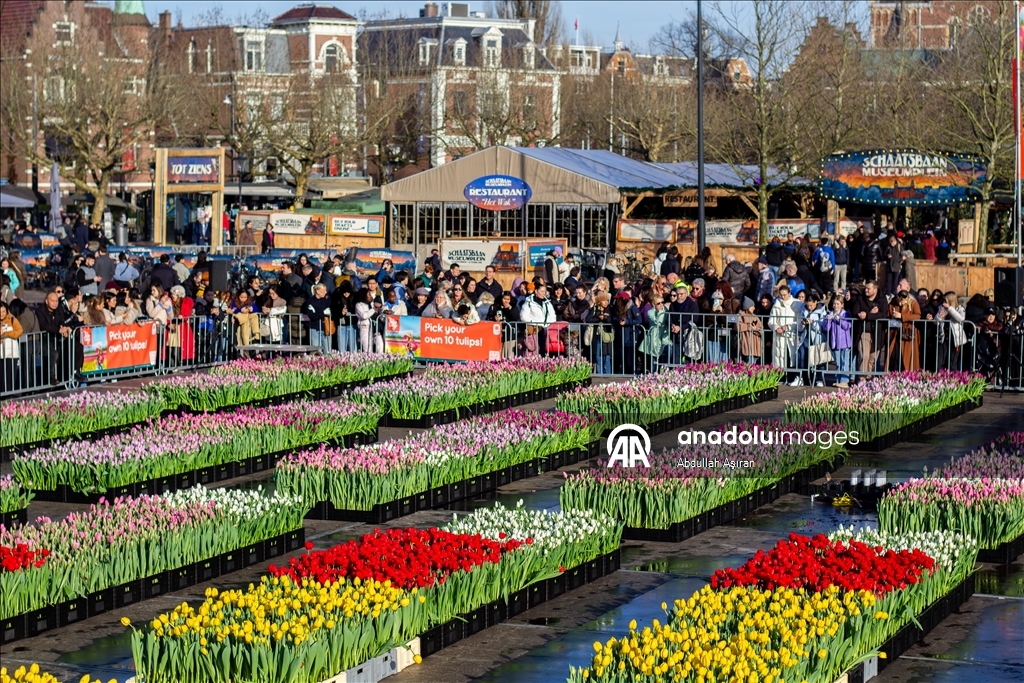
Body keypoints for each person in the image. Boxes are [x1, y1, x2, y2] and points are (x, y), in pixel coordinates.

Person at [849, 280, 887, 378]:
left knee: (872, 358)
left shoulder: (882, 299)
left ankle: (869, 378)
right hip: (864, 331)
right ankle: (862, 379)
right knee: (864, 356)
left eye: (868, 288)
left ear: (875, 290)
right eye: (865, 288)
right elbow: (854, 312)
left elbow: (883, 314)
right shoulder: (860, 298)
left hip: (877, 333)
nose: (866, 290)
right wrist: (869, 313)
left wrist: (868, 315)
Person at [769, 284, 804, 385]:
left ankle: (792, 378)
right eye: (781, 295)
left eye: (785, 295)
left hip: (791, 335)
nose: (783, 297)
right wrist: (776, 327)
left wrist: (788, 327)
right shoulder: (776, 304)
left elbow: (799, 321)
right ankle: (781, 378)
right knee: (780, 358)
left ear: (789, 293)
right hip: (779, 336)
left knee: (791, 357)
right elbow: (771, 320)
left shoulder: (796, 304)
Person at [888, 280, 921, 371]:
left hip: (907, 335)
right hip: (895, 334)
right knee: (894, 358)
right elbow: (887, 314)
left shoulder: (913, 302)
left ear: (907, 288)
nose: (898, 286)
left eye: (901, 285)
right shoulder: (894, 301)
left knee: (906, 359)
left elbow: (918, 316)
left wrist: (902, 316)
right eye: (898, 284)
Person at [822, 294, 853, 387]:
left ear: (842, 305)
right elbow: (826, 328)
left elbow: (847, 326)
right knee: (838, 363)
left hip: (845, 342)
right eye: (834, 304)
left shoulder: (845, 314)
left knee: (845, 362)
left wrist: (839, 320)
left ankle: (844, 380)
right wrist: (829, 320)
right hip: (835, 343)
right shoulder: (830, 314)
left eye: (838, 304)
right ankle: (838, 380)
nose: (836, 306)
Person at [800, 292, 829, 386]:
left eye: (811, 305)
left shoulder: (822, 311)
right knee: (804, 357)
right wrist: (803, 323)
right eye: (808, 305)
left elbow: (821, 327)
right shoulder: (803, 309)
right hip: (806, 336)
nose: (809, 307)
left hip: (818, 337)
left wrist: (812, 323)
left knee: (819, 358)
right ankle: (806, 378)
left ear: (816, 302)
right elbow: (799, 323)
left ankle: (819, 379)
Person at [610, 290, 641, 374]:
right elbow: (613, 318)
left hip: (630, 338)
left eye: (618, 299)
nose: (616, 301)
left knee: (629, 359)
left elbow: (638, 320)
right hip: (620, 337)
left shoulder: (632, 307)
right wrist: (618, 321)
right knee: (620, 358)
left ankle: (630, 374)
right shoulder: (616, 308)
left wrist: (627, 322)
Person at [935, 291, 967, 370]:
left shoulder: (960, 308)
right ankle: (939, 379)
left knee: (953, 362)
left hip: (955, 340)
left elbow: (961, 319)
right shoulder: (941, 308)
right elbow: (935, 322)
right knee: (940, 362)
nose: (943, 303)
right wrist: (939, 316)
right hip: (944, 338)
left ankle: (953, 380)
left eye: (945, 301)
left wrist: (950, 308)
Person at [585, 292, 614, 374]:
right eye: (604, 300)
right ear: (599, 301)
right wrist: (598, 318)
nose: (606, 302)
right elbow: (588, 319)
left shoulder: (610, 309)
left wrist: (605, 317)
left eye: (607, 300)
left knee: (607, 357)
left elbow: (611, 319)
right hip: (596, 335)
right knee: (598, 356)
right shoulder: (594, 309)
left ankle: (607, 375)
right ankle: (599, 374)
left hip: (607, 335)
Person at [639, 294, 669, 371]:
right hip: (654, 336)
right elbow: (658, 322)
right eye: (658, 303)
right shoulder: (650, 312)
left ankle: (662, 372)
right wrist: (660, 312)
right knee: (653, 357)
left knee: (666, 353)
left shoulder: (666, 310)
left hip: (664, 335)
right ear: (653, 304)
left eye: (662, 302)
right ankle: (653, 374)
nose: (661, 305)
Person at [0, 301, 24, 393]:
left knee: (10, 375)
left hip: (11, 353)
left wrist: (6, 334)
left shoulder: (12, 320)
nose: (1, 314)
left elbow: (19, 331)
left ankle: (10, 394)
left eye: (3, 311)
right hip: (1, 354)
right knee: (1, 377)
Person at [305, 283, 334, 353]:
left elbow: (329, 310)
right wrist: (323, 313)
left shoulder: (327, 299)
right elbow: (312, 316)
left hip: (325, 327)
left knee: (327, 350)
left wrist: (316, 311)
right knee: (316, 351)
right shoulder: (310, 301)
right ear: (317, 291)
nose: (326, 292)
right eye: (323, 291)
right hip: (314, 328)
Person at [736, 297, 763, 364]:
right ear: (747, 307)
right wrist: (749, 327)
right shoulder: (740, 316)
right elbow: (738, 326)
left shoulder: (754, 317)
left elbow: (760, 328)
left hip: (755, 347)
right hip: (746, 345)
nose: (754, 308)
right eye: (752, 306)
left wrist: (755, 330)